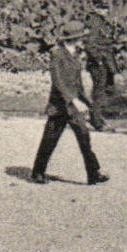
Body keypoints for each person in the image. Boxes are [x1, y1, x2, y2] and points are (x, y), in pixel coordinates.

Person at [28, 21, 109, 186]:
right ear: (73, 39)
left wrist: (85, 101)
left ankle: (93, 173)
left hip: (73, 105)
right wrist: (72, 100)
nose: (83, 41)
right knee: (50, 139)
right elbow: (58, 81)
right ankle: (38, 172)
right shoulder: (57, 55)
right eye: (81, 38)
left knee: (84, 136)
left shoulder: (75, 55)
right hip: (60, 106)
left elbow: (77, 83)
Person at [84, 9, 119, 131]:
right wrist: (98, 60)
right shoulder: (95, 22)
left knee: (103, 90)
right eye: (103, 8)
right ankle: (97, 121)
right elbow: (90, 45)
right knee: (99, 91)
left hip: (105, 61)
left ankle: (96, 116)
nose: (107, 11)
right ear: (97, 9)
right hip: (99, 63)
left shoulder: (101, 22)